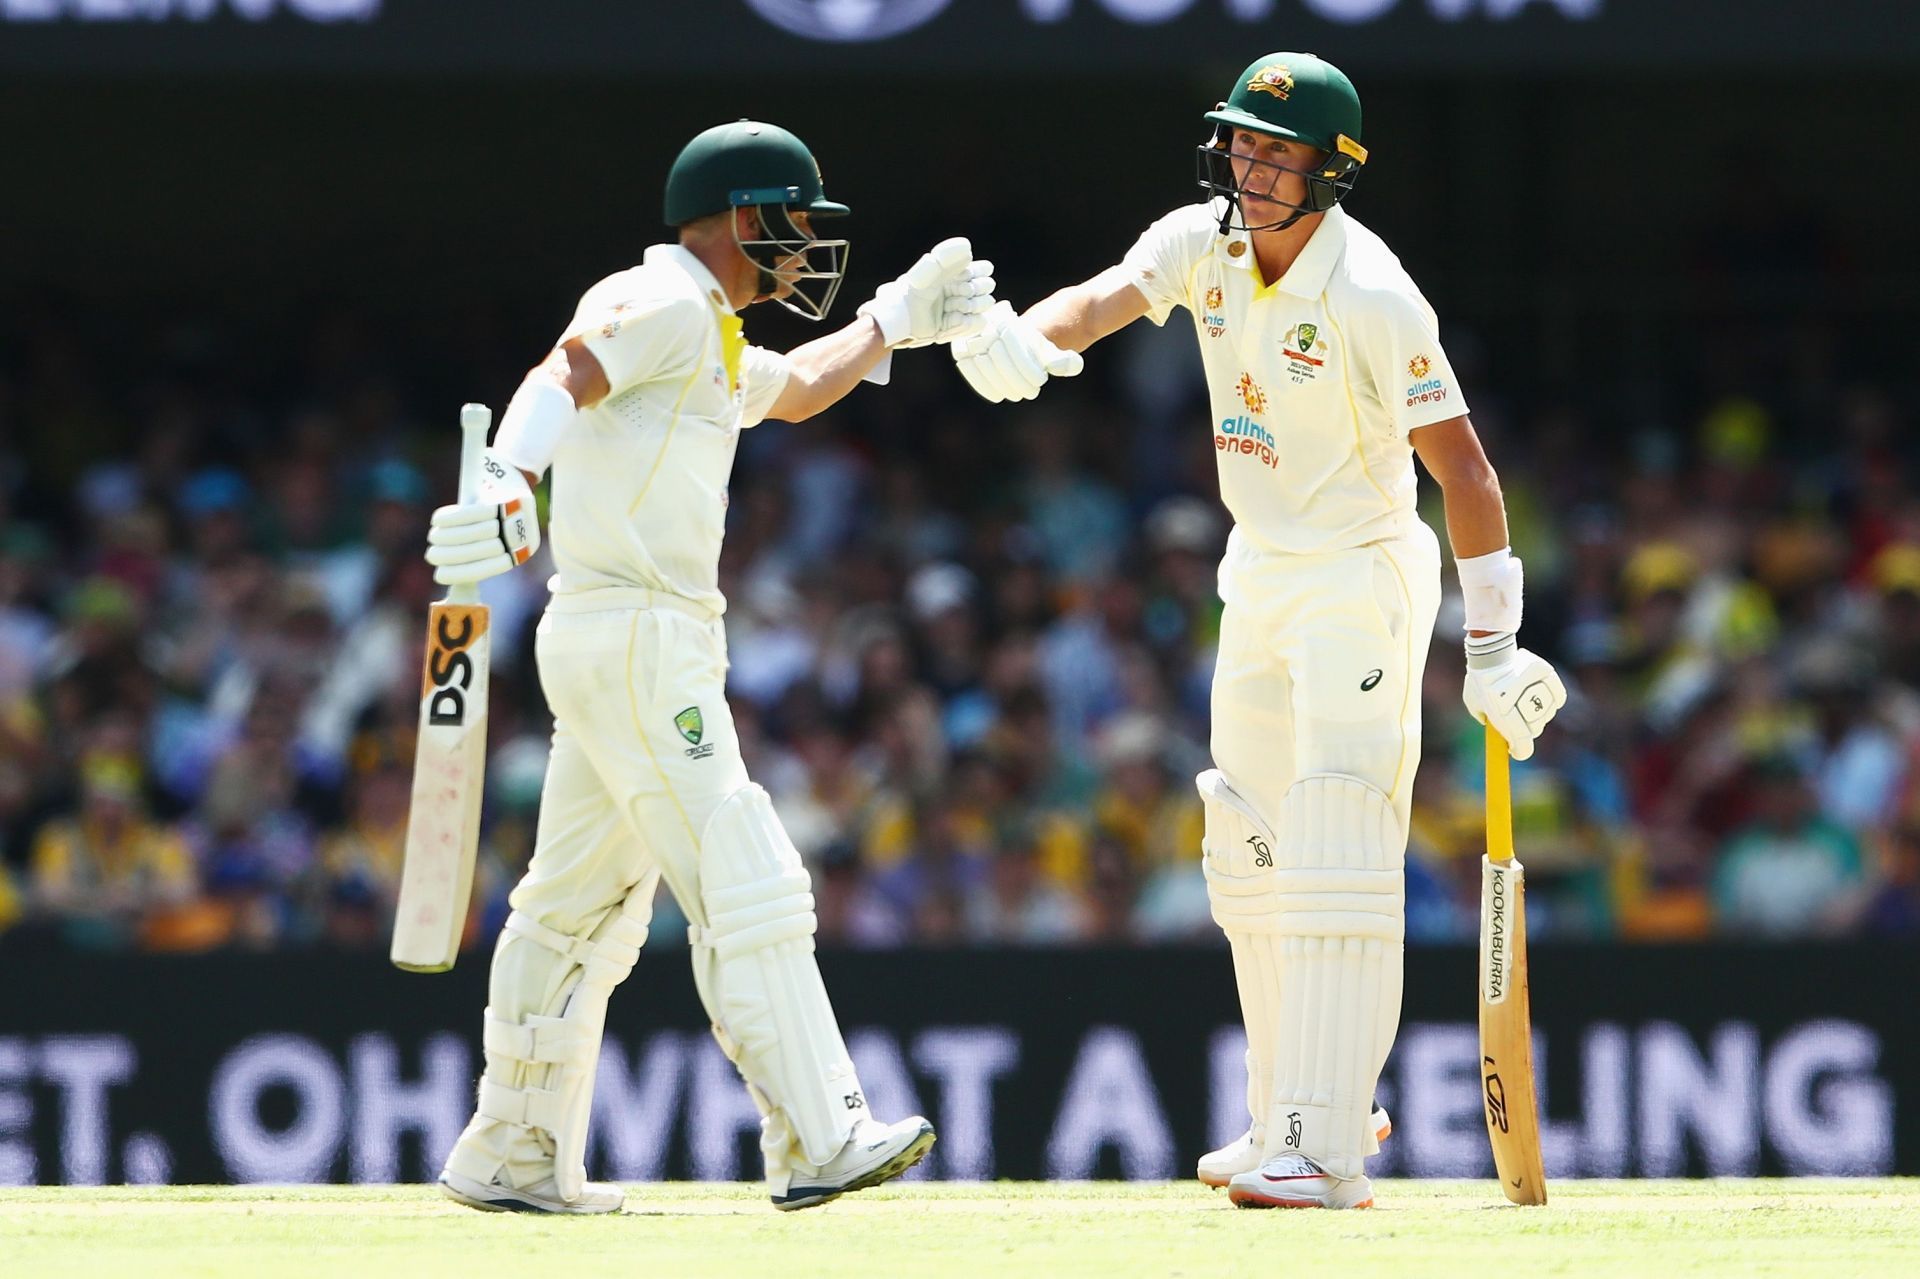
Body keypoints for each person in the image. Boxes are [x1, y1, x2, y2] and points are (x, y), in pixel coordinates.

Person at [951, 53, 1565, 1208]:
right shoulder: (1204, 240)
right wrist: (1024, 346)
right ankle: (1284, 1104)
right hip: (1260, 569)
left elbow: (1469, 477)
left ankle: (1326, 1148)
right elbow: (1102, 300)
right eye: (1241, 142)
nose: (1248, 164)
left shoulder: (1375, 295)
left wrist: (1492, 645)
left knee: (1340, 836)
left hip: (1360, 577)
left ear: (1332, 170)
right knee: (1248, 847)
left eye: (1275, 152)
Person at [422, 119, 994, 1214]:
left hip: (615, 636)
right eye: (794, 224)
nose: (804, 250)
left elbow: (795, 387)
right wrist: (505, 475)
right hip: (639, 637)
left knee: (577, 906)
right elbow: (566, 368)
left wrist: (891, 321)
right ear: (744, 218)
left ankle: (511, 1152)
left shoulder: (711, 332)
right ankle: (820, 1136)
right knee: (748, 872)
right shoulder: (665, 300)